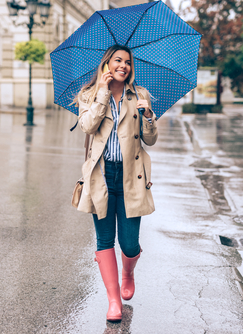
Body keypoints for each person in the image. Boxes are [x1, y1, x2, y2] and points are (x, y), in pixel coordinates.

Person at [75, 45, 158, 322]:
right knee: (105, 239)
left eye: (128, 62)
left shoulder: (140, 96)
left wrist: (148, 117)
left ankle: (129, 271)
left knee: (130, 243)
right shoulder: (88, 95)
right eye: (118, 60)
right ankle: (113, 302)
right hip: (102, 175)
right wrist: (102, 92)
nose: (124, 65)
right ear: (106, 64)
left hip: (131, 176)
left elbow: (150, 140)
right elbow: (87, 126)